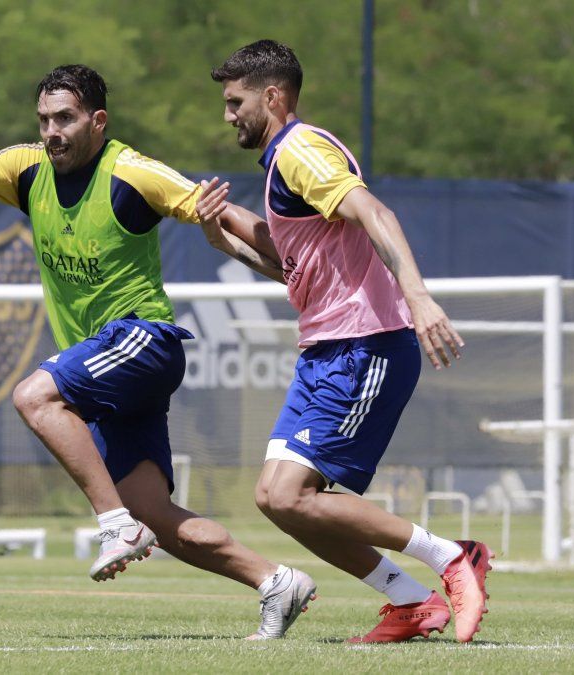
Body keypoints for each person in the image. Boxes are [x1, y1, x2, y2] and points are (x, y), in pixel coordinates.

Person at [0, 64, 316, 639]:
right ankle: (276, 581)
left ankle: (113, 524)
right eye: (45, 119)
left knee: (34, 397)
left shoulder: (131, 171)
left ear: (98, 121)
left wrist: (299, 270)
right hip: (110, 366)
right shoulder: (24, 169)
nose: (53, 131)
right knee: (155, 512)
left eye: (66, 119)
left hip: (143, 340)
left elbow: (221, 212)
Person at [199, 40, 494, 644]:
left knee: (293, 495)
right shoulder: (284, 161)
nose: (228, 115)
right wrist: (221, 235)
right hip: (326, 350)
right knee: (275, 499)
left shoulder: (301, 149)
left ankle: (452, 556)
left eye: (236, 101)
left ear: (272, 96)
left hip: (367, 343)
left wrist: (417, 297)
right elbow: (293, 261)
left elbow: (375, 213)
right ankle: (411, 602)